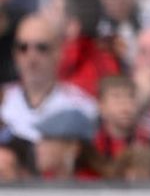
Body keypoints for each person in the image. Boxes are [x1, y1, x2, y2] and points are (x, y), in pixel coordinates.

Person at [0, 14, 98, 144]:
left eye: (42, 47)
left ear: (59, 52)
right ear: (14, 53)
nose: (31, 56)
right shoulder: (3, 98)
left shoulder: (83, 107)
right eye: (23, 47)